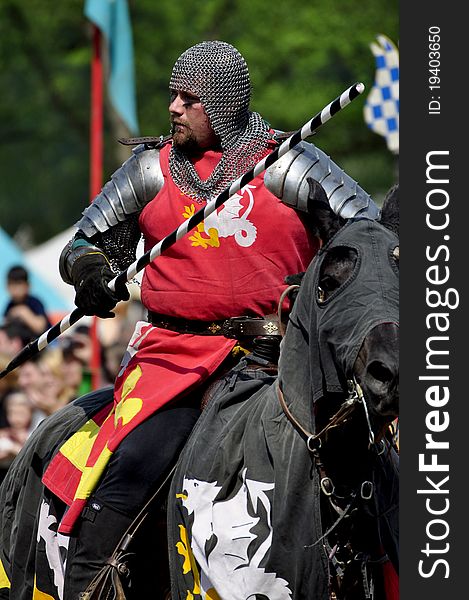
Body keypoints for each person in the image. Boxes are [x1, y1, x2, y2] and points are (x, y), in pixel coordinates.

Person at [48, 40, 378, 598]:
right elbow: (83, 244)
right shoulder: (150, 171)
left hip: (282, 360)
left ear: (223, 103)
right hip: (173, 362)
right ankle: (90, 581)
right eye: (174, 95)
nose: (174, 107)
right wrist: (93, 273)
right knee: (128, 474)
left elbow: (366, 238)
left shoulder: (289, 162)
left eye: (189, 98)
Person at [3, 265, 51, 335]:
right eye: (11, 284)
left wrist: (24, 313)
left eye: (18, 283)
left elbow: (41, 327)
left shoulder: (34, 302)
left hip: (44, 342)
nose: (14, 288)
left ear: (27, 285)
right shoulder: (9, 306)